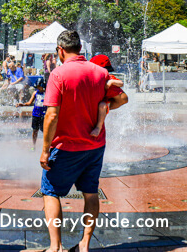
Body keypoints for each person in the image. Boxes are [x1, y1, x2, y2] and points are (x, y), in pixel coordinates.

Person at [41, 31, 129, 252]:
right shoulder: (100, 73)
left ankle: (55, 247)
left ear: (60, 50)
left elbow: (51, 115)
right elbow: (122, 98)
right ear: (80, 48)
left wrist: (44, 150)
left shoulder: (58, 74)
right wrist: (105, 107)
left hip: (65, 146)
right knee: (90, 193)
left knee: (50, 192)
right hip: (95, 146)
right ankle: (85, 244)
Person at [87, 54, 125, 138]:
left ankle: (98, 128)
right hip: (95, 104)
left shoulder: (109, 78)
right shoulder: (90, 77)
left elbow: (121, 83)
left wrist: (111, 82)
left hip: (104, 104)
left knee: (102, 105)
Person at [17, 80, 47, 148]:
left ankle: (46, 146)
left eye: (39, 87)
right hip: (35, 114)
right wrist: (22, 104)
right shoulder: (35, 93)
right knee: (35, 130)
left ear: (43, 86)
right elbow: (29, 103)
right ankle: (34, 145)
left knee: (45, 131)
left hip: (44, 115)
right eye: (37, 87)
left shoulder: (47, 94)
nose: (38, 88)